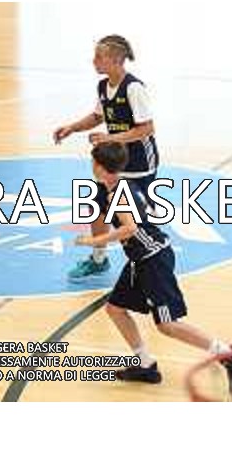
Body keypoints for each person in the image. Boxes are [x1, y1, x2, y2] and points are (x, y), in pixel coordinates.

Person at [75, 142, 232, 393]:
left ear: (100, 167)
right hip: (140, 259)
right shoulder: (119, 186)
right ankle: (146, 364)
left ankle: (229, 354)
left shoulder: (118, 195)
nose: (91, 165)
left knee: (167, 325)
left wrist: (94, 241)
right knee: (115, 309)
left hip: (153, 259)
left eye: (93, 161)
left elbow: (130, 228)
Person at [54, 35, 159, 281]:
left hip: (139, 163)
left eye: (99, 57)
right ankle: (99, 259)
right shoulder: (103, 86)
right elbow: (97, 117)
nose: (94, 61)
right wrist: (72, 128)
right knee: (97, 205)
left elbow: (147, 128)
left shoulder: (133, 88)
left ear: (116, 60)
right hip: (115, 161)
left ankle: (152, 259)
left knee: (136, 219)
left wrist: (111, 138)